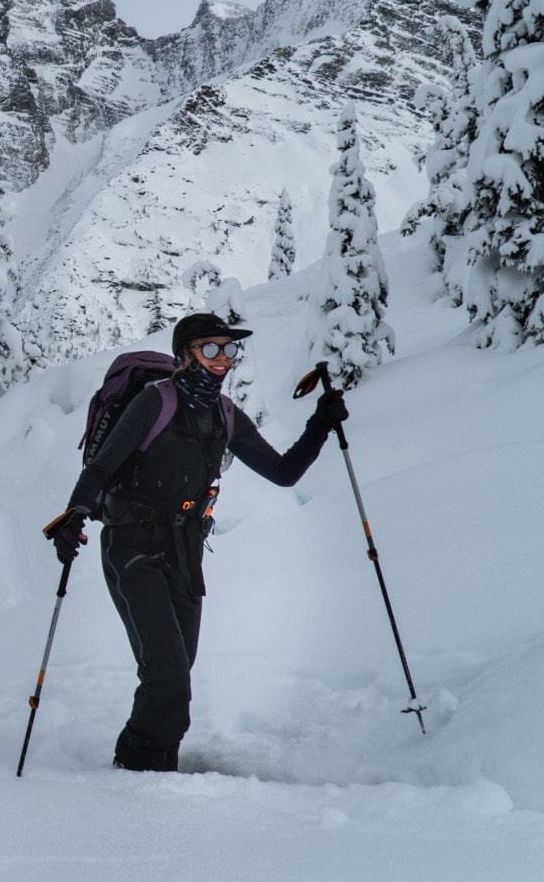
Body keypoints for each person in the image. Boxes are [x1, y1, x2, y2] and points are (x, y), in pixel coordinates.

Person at [47, 312, 349, 772]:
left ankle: (150, 767)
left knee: (173, 671)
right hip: (132, 546)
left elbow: (284, 474)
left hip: (184, 551)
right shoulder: (155, 402)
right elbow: (101, 468)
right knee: (168, 675)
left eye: (229, 349)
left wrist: (320, 425)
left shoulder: (224, 414)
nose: (223, 358)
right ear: (185, 354)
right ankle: (140, 769)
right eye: (211, 348)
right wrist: (76, 515)